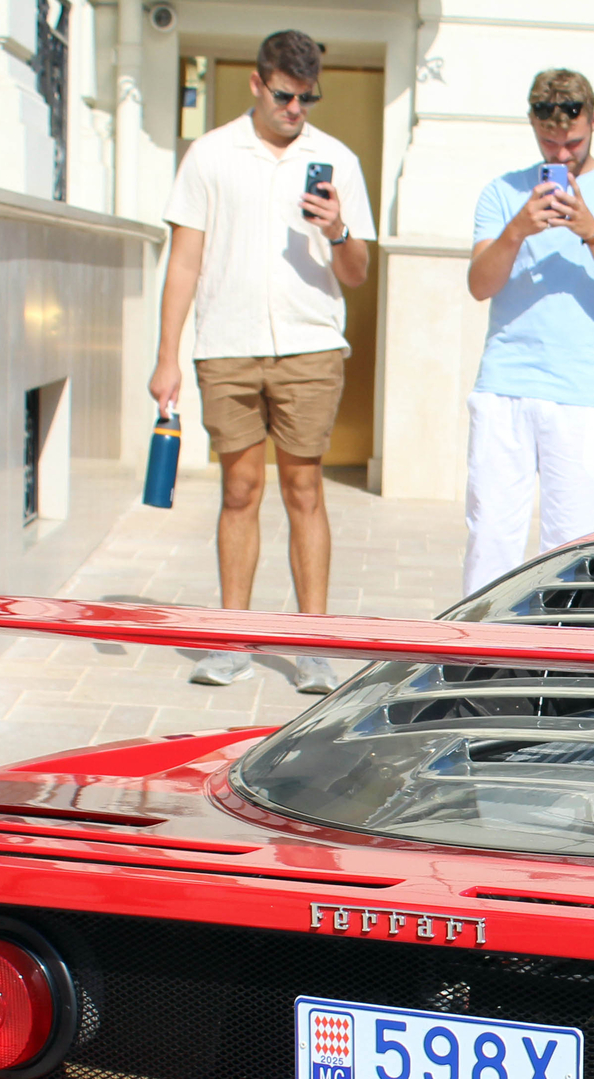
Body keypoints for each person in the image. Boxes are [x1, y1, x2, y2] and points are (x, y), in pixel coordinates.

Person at [149, 30, 375, 692]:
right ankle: (231, 640)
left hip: (310, 347)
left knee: (304, 490)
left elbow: (357, 272)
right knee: (240, 490)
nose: (295, 109)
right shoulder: (210, 155)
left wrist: (336, 228)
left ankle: (313, 646)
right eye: (284, 95)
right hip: (227, 345)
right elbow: (183, 262)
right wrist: (167, 357)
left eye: (307, 98)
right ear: (257, 83)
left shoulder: (337, 159)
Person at [461, 70, 594, 594]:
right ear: (533, 126)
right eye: (550, 143)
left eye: (573, 142)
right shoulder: (502, 192)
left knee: (571, 549)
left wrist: (593, 232)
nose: (562, 153)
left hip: (584, 394)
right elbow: (479, 286)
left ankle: (559, 646)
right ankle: (478, 644)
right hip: (504, 386)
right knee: (490, 540)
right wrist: (516, 231)